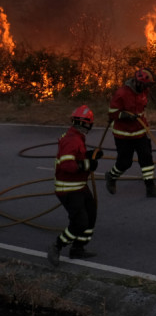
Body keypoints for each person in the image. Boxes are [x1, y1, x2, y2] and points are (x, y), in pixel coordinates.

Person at [48, 105, 103, 266]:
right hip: (68, 189)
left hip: (79, 186)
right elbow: (68, 165)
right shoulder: (72, 140)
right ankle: (57, 246)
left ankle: (78, 248)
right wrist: (88, 165)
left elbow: (76, 155)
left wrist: (89, 154)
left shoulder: (76, 137)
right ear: (86, 123)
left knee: (91, 215)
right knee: (80, 222)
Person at [105, 68, 156, 198]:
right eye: (145, 85)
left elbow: (141, 109)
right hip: (123, 135)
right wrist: (125, 115)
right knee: (125, 163)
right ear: (137, 82)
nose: (146, 88)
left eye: (148, 85)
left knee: (147, 158)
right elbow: (112, 113)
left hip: (140, 132)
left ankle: (150, 188)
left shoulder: (144, 91)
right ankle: (111, 176)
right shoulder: (121, 93)